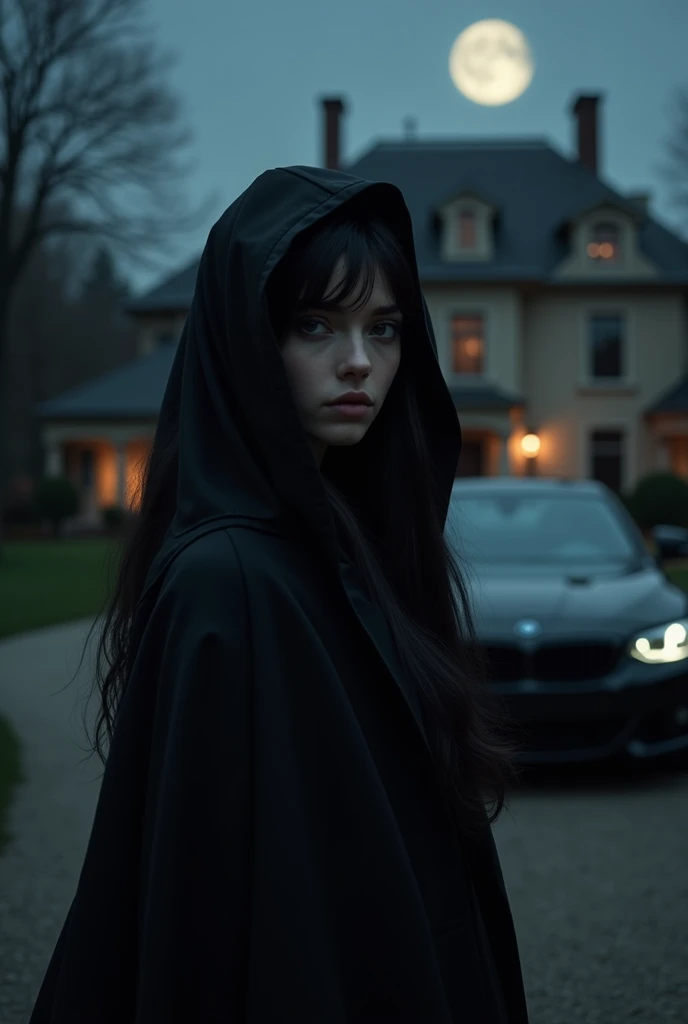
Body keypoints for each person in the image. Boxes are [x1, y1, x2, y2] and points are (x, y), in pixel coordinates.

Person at [29, 166, 530, 1023]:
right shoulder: (223, 581)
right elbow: (198, 920)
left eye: (384, 328)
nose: (359, 363)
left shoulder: (362, 550)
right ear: (248, 342)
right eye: (315, 326)